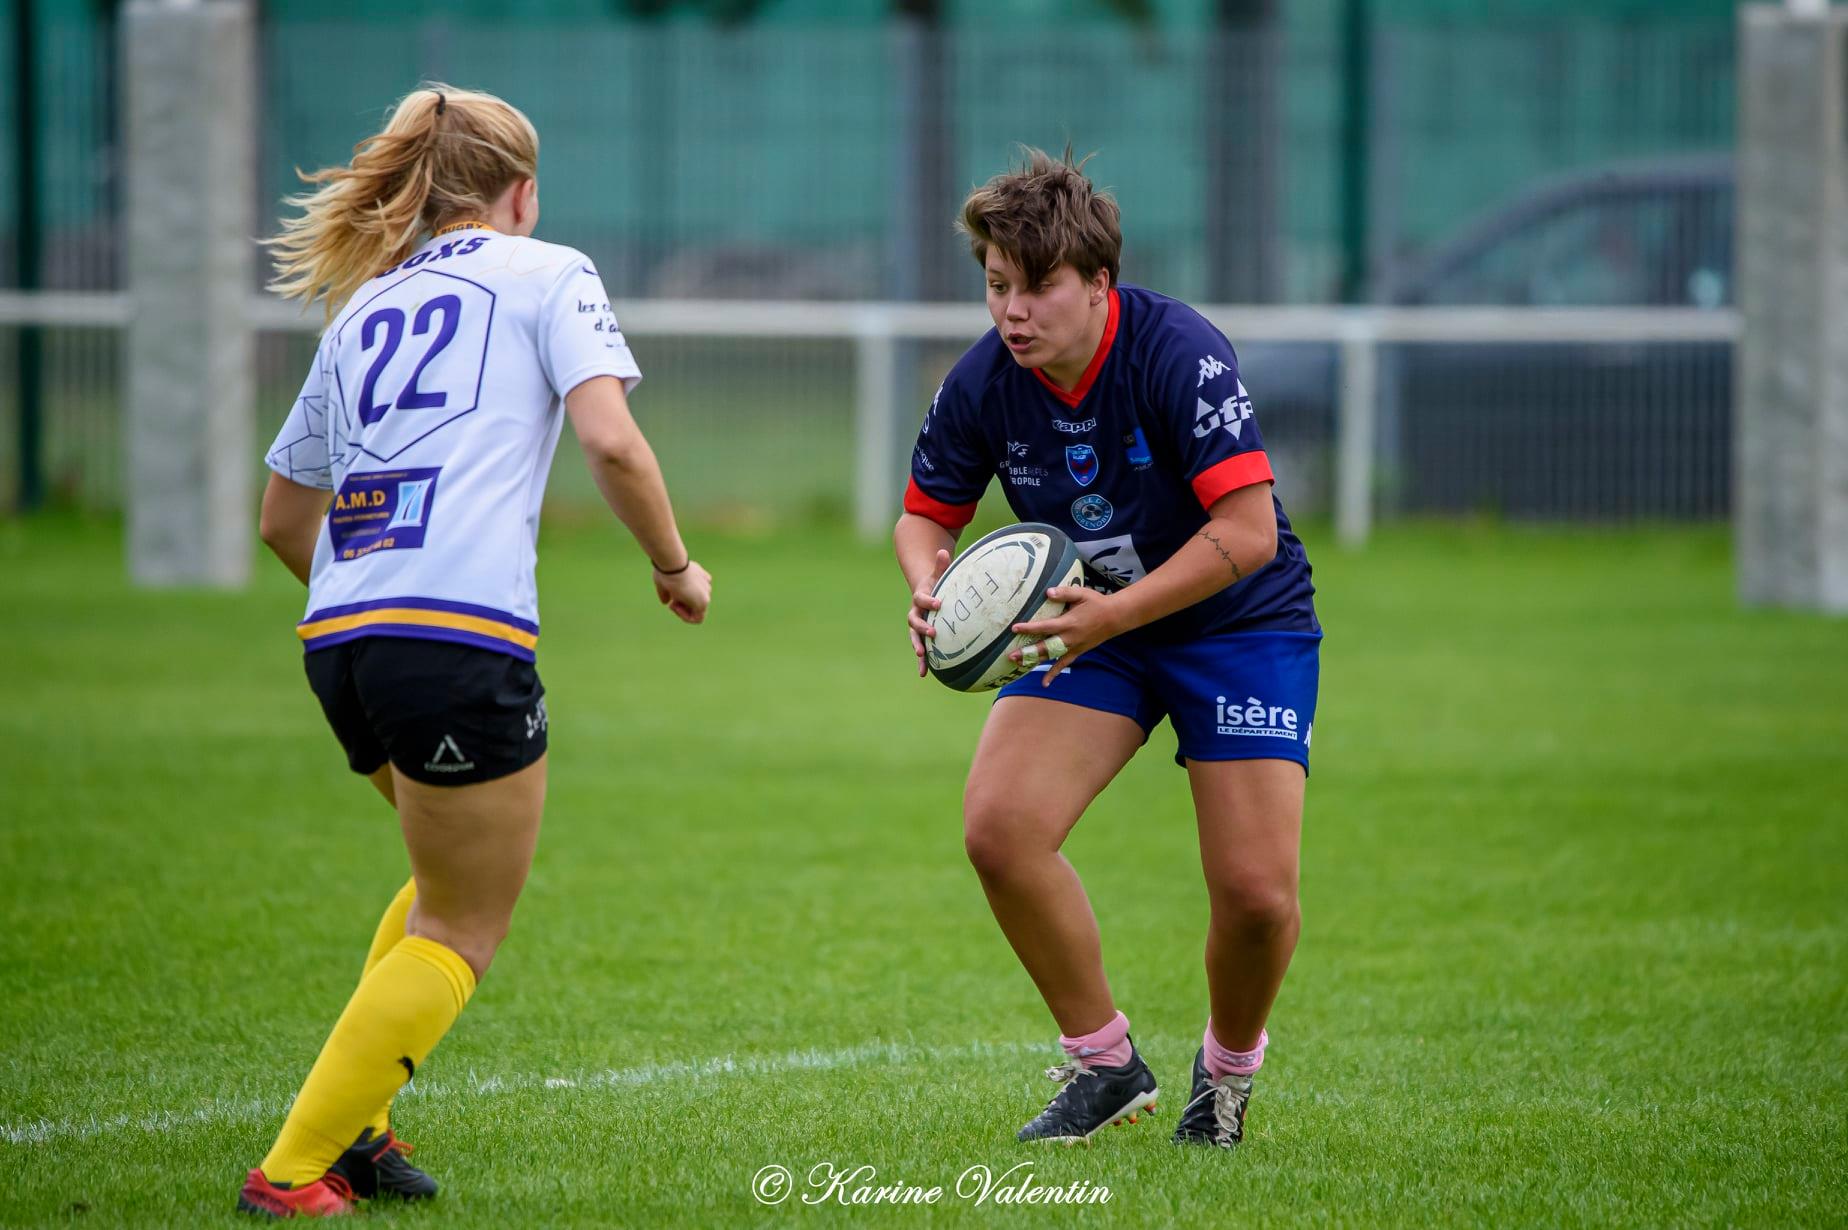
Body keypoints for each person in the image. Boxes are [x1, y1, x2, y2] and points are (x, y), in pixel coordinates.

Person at [241, 84, 711, 1217]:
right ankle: (291, 1173)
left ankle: (359, 1131)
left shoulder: (361, 308)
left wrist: (374, 605)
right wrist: (672, 564)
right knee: (462, 921)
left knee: (438, 885)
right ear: (520, 191)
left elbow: (279, 520)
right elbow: (613, 442)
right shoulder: (550, 269)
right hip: (453, 640)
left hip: (341, 644)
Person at [896, 150, 1320, 1148]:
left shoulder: (1181, 353)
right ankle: (1103, 1062)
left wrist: (1113, 615)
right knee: (1001, 828)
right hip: (1093, 623)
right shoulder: (985, 382)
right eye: (997, 285)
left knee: (1257, 897)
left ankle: (1224, 1076)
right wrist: (930, 587)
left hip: (1238, 621)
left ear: (1097, 283)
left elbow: (1249, 534)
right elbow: (925, 516)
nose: (1013, 311)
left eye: (1037, 286)